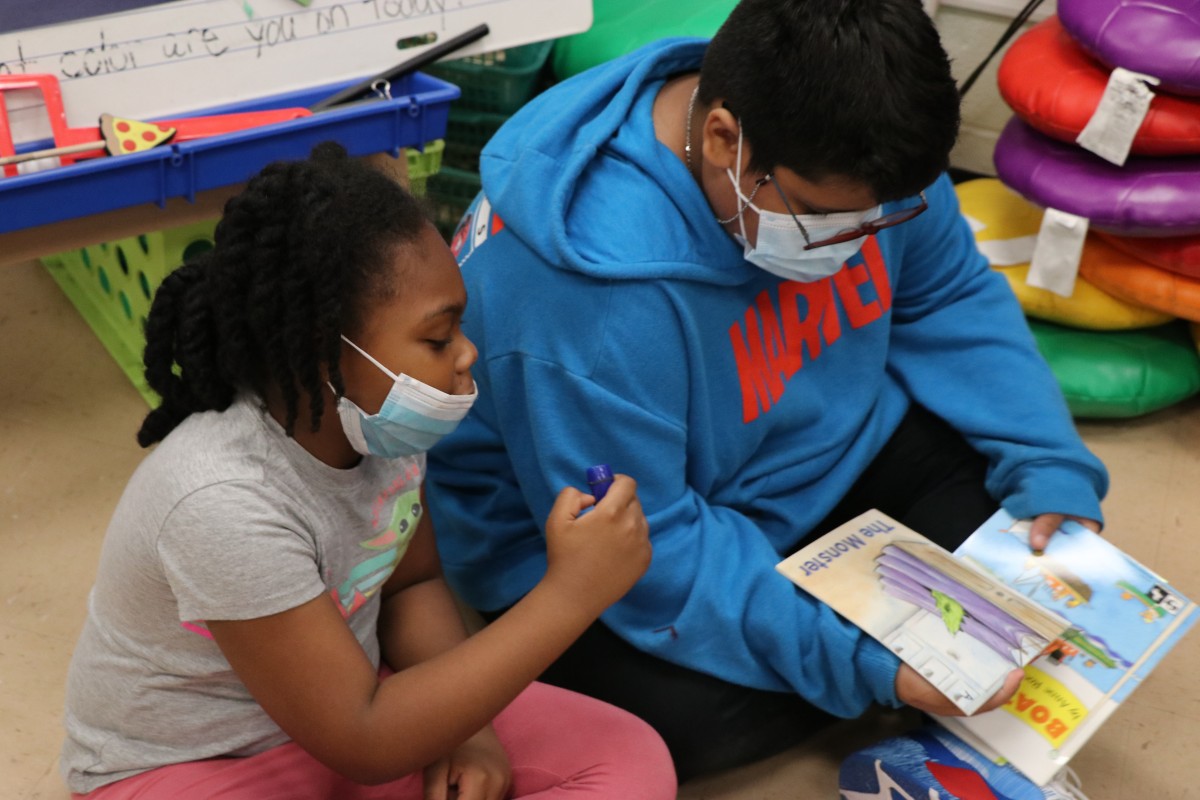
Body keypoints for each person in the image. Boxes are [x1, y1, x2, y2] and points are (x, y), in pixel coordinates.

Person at [425, 0, 1109, 783]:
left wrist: (1046, 458)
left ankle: (847, 640)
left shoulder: (867, 147)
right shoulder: (586, 291)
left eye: (882, 218)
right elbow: (655, 544)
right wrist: (866, 663)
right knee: (681, 730)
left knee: (1028, 538)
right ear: (722, 138)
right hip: (605, 540)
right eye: (824, 218)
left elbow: (946, 295)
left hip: (808, 451)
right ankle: (858, 651)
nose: (858, 244)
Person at [59, 143, 677, 800]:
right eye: (438, 339)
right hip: (196, 765)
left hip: (349, 708)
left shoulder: (382, 420)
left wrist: (469, 734)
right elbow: (364, 739)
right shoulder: (221, 502)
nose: (466, 354)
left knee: (630, 758)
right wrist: (572, 593)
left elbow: (411, 585)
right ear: (326, 353)